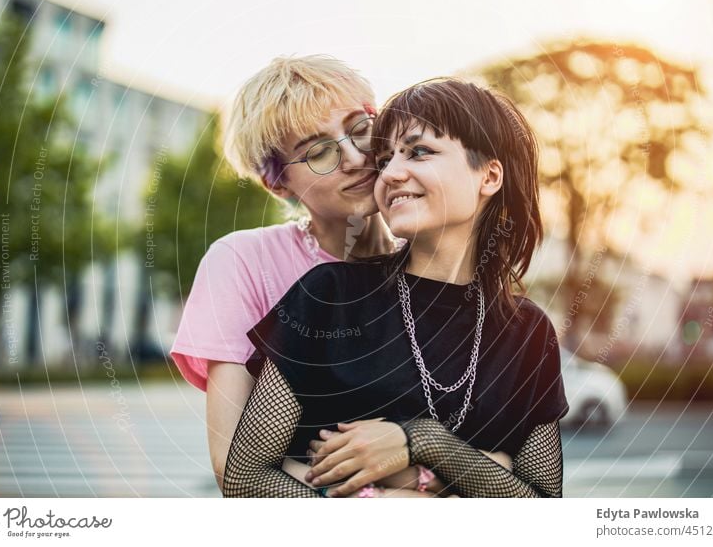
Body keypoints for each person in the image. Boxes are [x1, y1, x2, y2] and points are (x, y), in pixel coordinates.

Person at [222, 78, 570, 498]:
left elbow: (545, 508)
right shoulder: (330, 297)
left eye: (419, 151)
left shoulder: (528, 334)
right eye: (385, 158)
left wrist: (423, 442)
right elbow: (246, 479)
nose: (390, 173)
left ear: (489, 175)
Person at [170, 56, 489, 495]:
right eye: (319, 151)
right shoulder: (242, 262)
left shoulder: (445, 259)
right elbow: (233, 467)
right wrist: (380, 501)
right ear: (276, 182)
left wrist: (420, 468)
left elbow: (493, 450)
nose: (357, 158)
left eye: (362, 129)